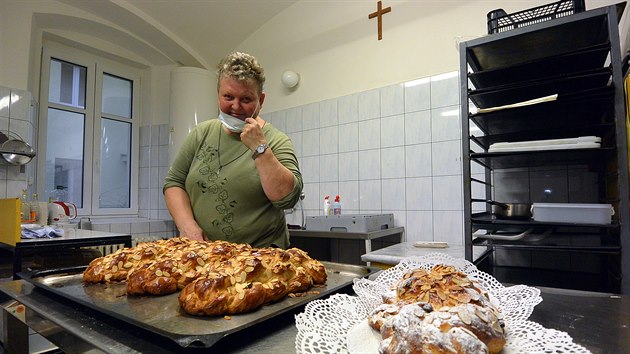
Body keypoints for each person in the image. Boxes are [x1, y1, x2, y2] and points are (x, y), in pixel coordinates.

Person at [163, 52, 303, 248]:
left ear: (260, 101)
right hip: (207, 256)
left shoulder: (276, 140)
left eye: (246, 99)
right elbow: (174, 182)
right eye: (228, 96)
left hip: (260, 261)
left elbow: (287, 198)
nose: (235, 106)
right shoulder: (201, 133)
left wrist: (260, 148)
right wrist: (187, 226)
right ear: (218, 94)